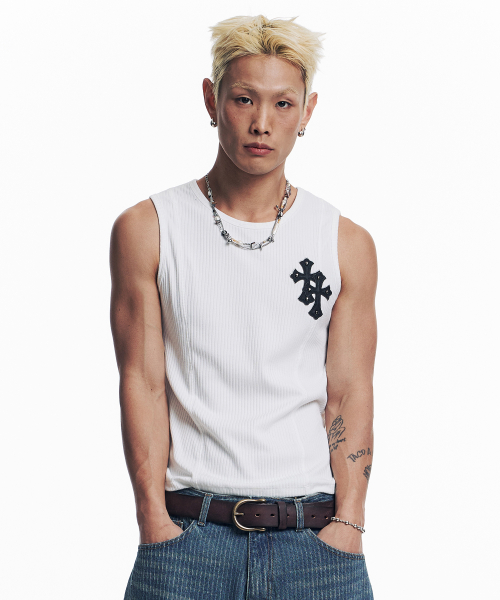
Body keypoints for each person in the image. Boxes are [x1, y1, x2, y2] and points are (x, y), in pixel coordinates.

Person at [110, 14, 377, 600]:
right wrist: (153, 520)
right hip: (188, 540)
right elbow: (142, 381)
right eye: (243, 99)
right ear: (212, 100)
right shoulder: (149, 228)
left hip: (315, 542)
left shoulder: (344, 242)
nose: (262, 123)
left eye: (283, 104)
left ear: (307, 112)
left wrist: (349, 523)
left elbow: (349, 391)